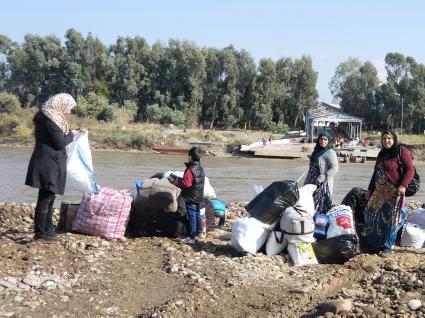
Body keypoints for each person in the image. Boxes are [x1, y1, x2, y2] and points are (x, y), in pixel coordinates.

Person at [25, 93, 85, 242]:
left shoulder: (50, 117)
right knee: (45, 199)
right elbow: (60, 142)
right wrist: (72, 134)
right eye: (69, 107)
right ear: (60, 104)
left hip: (49, 162)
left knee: (50, 197)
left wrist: (74, 132)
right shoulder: (49, 120)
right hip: (47, 164)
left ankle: (48, 229)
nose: (70, 110)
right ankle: (40, 233)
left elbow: (60, 137)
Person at [360, 129, 415, 257]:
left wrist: (403, 185)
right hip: (379, 192)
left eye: (389, 138)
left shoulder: (402, 151)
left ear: (394, 139)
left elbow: (410, 169)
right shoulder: (382, 153)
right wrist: (370, 189)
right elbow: (376, 174)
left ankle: (387, 247)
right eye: (384, 138)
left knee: (392, 219)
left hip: (394, 192)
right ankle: (375, 244)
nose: (386, 141)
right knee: (371, 213)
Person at [169, 147, 205, 244]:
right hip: (198, 195)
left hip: (191, 196)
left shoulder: (190, 169)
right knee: (197, 214)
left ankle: (191, 237)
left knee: (192, 216)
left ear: (190, 157)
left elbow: (187, 184)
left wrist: (175, 181)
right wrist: (179, 179)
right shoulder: (200, 167)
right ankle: (199, 232)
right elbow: (194, 181)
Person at [304, 130, 339, 213]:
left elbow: (335, 168)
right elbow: (311, 168)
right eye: (321, 139)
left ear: (328, 141)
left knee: (320, 207)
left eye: (325, 139)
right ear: (318, 140)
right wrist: (306, 182)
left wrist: (321, 178)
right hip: (311, 182)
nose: (323, 141)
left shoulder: (330, 152)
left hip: (322, 185)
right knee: (309, 205)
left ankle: (320, 224)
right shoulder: (316, 152)